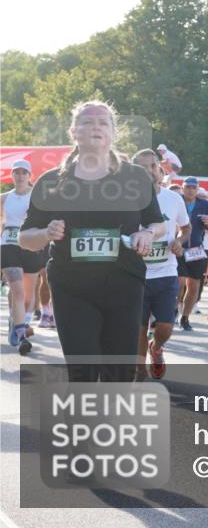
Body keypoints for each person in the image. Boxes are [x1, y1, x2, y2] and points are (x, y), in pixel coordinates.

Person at [19, 100, 165, 382]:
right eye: (87, 122)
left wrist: (147, 234)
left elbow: (158, 223)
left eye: (103, 123)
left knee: (120, 374)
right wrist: (46, 233)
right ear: (74, 131)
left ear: (113, 132)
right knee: (83, 371)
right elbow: (26, 239)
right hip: (71, 287)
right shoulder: (51, 182)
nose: (95, 127)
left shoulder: (135, 177)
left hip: (124, 284)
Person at [132, 149, 190, 380]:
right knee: (138, 328)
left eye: (153, 166)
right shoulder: (127, 201)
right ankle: (139, 370)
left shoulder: (173, 198)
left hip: (165, 273)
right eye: (142, 168)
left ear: (160, 169)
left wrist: (178, 241)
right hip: (136, 276)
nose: (149, 172)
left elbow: (186, 228)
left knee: (165, 327)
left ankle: (156, 348)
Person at [2, 159, 45, 354]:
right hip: (8, 245)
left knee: (28, 297)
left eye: (24, 172)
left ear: (30, 176)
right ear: (12, 175)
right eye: (16, 172)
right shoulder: (3, 198)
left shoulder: (38, 197)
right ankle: (21, 336)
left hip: (31, 246)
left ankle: (16, 321)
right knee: (17, 291)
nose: (20, 176)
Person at [177, 176, 208, 331]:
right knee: (178, 284)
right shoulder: (176, 201)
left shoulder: (205, 205)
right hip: (178, 248)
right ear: (183, 188)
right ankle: (173, 312)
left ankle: (185, 317)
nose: (191, 190)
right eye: (188, 187)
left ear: (197, 189)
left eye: (194, 188)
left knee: (194, 286)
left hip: (197, 251)